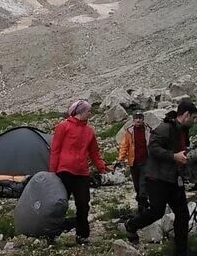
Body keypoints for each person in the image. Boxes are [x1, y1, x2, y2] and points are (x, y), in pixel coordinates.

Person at [125, 99, 197, 256]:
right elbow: (153, 148)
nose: (194, 121)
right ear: (186, 115)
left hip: (174, 178)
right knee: (157, 211)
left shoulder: (183, 131)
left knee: (182, 214)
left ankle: (181, 255)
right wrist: (173, 156)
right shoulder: (165, 128)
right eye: (193, 117)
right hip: (157, 178)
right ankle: (131, 225)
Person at [49, 100, 109, 244]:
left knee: (83, 204)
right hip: (64, 170)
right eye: (88, 111)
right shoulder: (63, 126)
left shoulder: (89, 131)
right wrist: (52, 172)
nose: (90, 113)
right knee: (59, 204)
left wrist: (102, 167)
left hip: (82, 172)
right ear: (80, 112)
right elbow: (55, 150)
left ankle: (82, 235)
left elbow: (94, 152)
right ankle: (51, 232)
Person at [117, 111, 151, 214]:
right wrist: (121, 158)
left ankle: (144, 207)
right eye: (136, 118)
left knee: (143, 185)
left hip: (146, 162)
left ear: (143, 119)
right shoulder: (130, 131)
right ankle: (141, 207)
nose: (138, 120)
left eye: (140, 118)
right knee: (137, 186)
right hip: (134, 162)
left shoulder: (148, 130)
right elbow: (125, 146)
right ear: (133, 120)